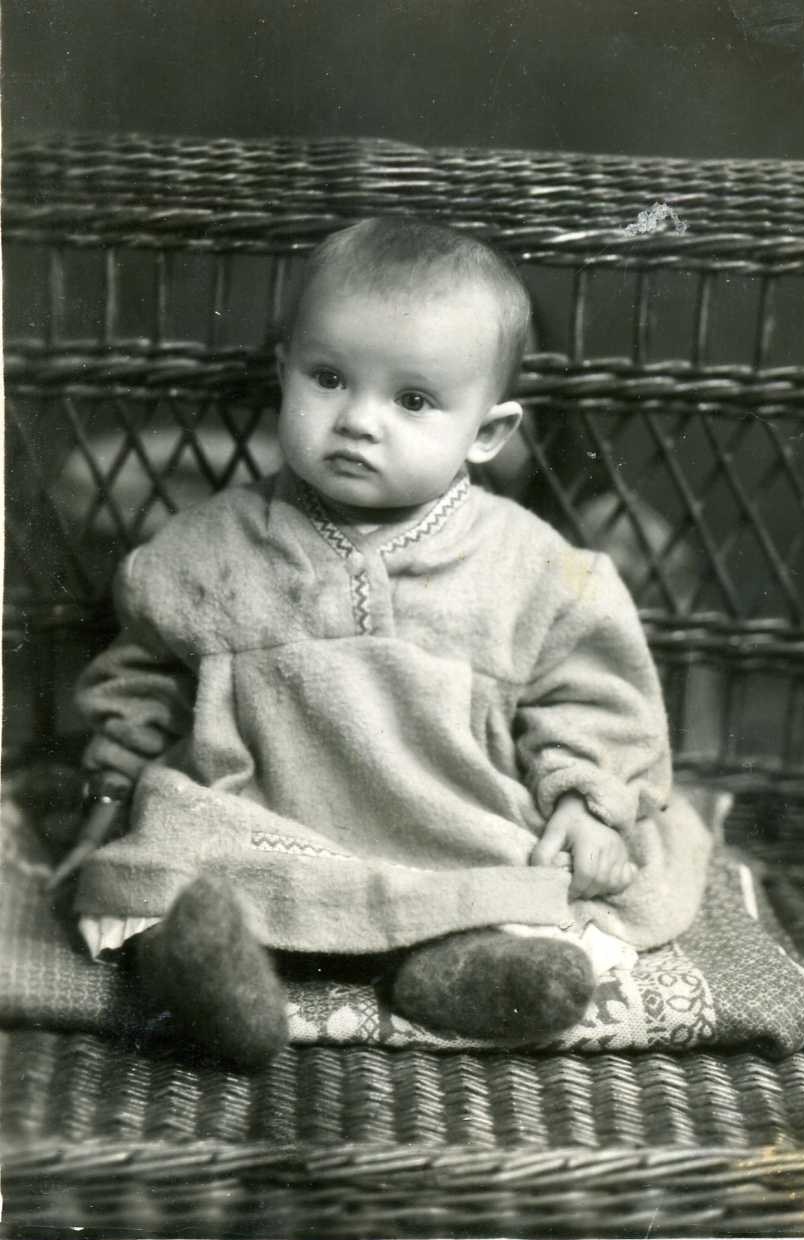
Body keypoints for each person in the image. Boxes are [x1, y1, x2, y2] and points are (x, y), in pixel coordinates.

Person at [70, 218, 711, 1068]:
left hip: (453, 819)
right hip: (260, 812)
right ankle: (203, 968)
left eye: (412, 400)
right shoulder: (206, 550)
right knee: (168, 861)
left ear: (487, 433)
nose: (357, 422)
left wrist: (587, 800)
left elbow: (595, 696)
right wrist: (112, 784)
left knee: (515, 884)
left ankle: (462, 969)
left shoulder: (536, 569)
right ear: (284, 373)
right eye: (329, 379)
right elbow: (141, 679)